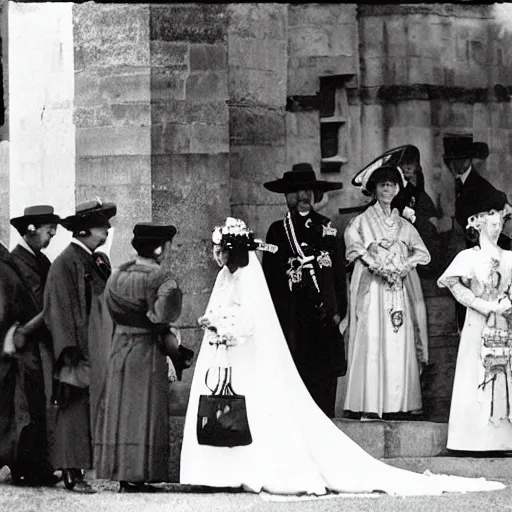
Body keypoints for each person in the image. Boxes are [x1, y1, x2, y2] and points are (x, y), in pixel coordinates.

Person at [180, 216, 505, 496]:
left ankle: (248, 465)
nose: (219, 256)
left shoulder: (250, 276)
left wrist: (229, 328)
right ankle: (217, 470)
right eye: (218, 250)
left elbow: (252, 319)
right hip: (226, 356)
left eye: (222, 250)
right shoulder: (228, 276)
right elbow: (223, 308)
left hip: (246, 353)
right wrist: (215, 324)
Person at [95, 223, 187, 493]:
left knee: (122, 410)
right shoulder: (160, 276)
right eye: (167, 245)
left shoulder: (117, 274)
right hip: (146, 348)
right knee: (144, 410)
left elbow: (111, 307)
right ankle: (139, 473)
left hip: (119, 344)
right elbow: (164, 313)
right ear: (159, 248)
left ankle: (123, 473)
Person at [343, 164, 431, 420]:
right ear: (374, 189)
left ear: (397, 189)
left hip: (397, 291)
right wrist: (375, 265)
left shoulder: (403, 224)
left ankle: (398, 404)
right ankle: (371, 403)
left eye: (391, 185)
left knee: (397, 342)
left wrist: (404, 266)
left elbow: (423, 253)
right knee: (374, 339)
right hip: (374, 288)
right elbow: (353, 247)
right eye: (382, 185)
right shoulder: (361, 221)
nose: (387, 190)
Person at [261, 163, 347, 418]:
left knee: (324, 384)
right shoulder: (278, 231)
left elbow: (337, 275)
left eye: (307, 191)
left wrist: (339, 313)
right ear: (287, 196)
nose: (302, 198)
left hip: (323, 321)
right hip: (292, 320)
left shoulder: (326, 227)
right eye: (296, 192)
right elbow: (271, 278)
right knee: (295, 381)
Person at [43, 199, 116, 493]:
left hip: (94, 348)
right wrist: (70, 352)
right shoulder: (65, 263)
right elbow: (58, 310)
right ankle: (72, 470)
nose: (107, 230)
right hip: (77, 352)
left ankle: (81, 466)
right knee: (73, 410)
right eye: (101, 225)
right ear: (85, 230)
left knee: (86, 409)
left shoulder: (94, 261)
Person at [438, 207, 512, 451]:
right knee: (475, 372)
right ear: (479, 226)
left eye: (499, 224)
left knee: (502, 371)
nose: (497, 228)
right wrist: (478, 303)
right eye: (492, 224)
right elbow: (452, 283)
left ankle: (502, 438)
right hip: (477, 321)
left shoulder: (508, 257)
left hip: (502, 321)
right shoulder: (468, 257)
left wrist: (505, 304)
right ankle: (471, 439)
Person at [0, 235, 59, 487]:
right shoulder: (12, 261)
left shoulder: (13, 260)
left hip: (20, 342)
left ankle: (27, 464)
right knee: (18, 408)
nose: (53, 234)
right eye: (49, 229)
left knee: (22, 407)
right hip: (16, 345)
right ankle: (24, 466)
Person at [443, 134, 509, 328]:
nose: (456, 164)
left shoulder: (478, 185)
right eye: (452, 160)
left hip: (483, 253)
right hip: (469, 250)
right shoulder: (461, 183)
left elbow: (503, 206)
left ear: (468, 160)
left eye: (461, 159)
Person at [10, 206, 60, 409]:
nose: (52, 235)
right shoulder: (19, 262)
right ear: (32, 229)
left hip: (39, 345)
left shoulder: (39, 259)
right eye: (49, 230)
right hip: (30, 349)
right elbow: (43, 306)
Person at [391, 146, 441, 276]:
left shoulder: (417, 181)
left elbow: (418, 196)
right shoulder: (395, 184)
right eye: (404, 164)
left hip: (419, 213)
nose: (407, 168)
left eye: (411, 165)